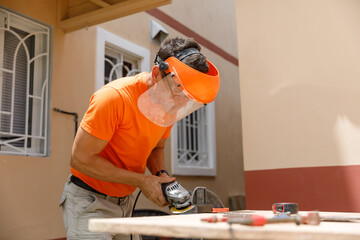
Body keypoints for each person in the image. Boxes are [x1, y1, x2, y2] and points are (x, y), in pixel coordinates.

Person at [59, 37, 220, 239]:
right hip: (89, 201)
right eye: (179, 93)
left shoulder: (168, 107)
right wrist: (142, 181)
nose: (180, 104)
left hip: (124, 203)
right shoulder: (114, 98)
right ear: (156, 74)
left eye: (188, 99)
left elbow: (156, 147)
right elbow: (80, 159)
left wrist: (160, 175)